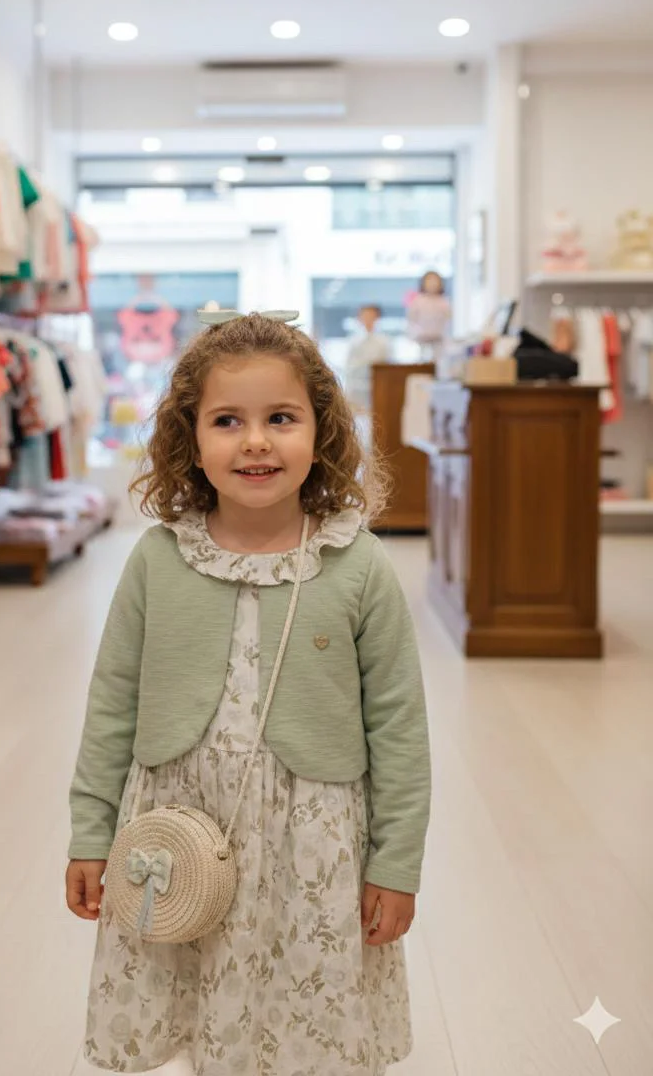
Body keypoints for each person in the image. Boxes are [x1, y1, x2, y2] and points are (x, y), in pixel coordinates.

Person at [66, 310, 432, 1076]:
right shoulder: (159, 559)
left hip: (314, 845)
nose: (256, 441)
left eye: (281, 418)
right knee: (200, 1003)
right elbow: (112, 702)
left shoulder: (356, 566)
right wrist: (91, 832)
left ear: (321, 431)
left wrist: (396, 862)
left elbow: (398, 725)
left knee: (300, 1015)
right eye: (227, 420)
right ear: (189, 439)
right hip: (179, 827)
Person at [345, 303, 391, 412]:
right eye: (365, 315)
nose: (368, 318)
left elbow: (387, 364)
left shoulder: (385, 341)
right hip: (355, 389)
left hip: (378, 387)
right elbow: (349, 366)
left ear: (377, 317)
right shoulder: (353, 341)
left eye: (371, 315)